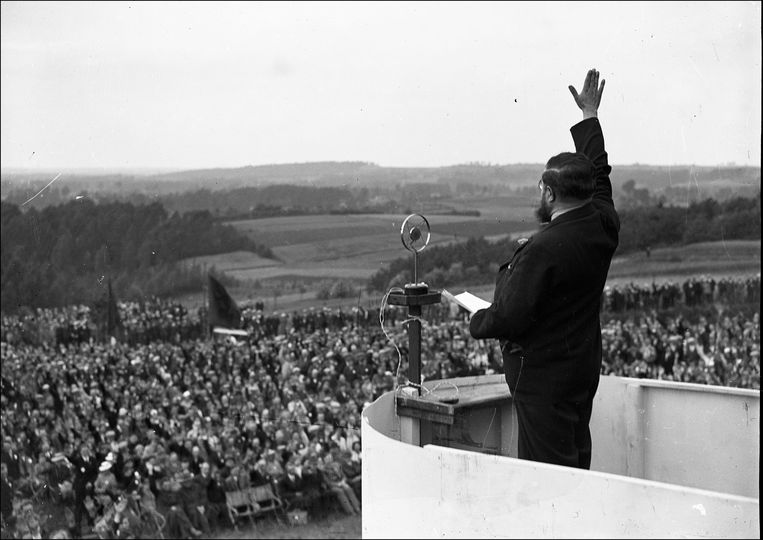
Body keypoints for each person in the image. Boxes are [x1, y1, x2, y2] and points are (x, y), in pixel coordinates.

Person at [469, 68, 619, 470]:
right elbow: (599, 172)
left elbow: (510, 317)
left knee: (548, 478)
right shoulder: (604, 223)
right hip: (580, 370)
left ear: (549, 193)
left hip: (542, 381)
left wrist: (473, 318)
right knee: (575, 464)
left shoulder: (542, 249)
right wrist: (590, 116)